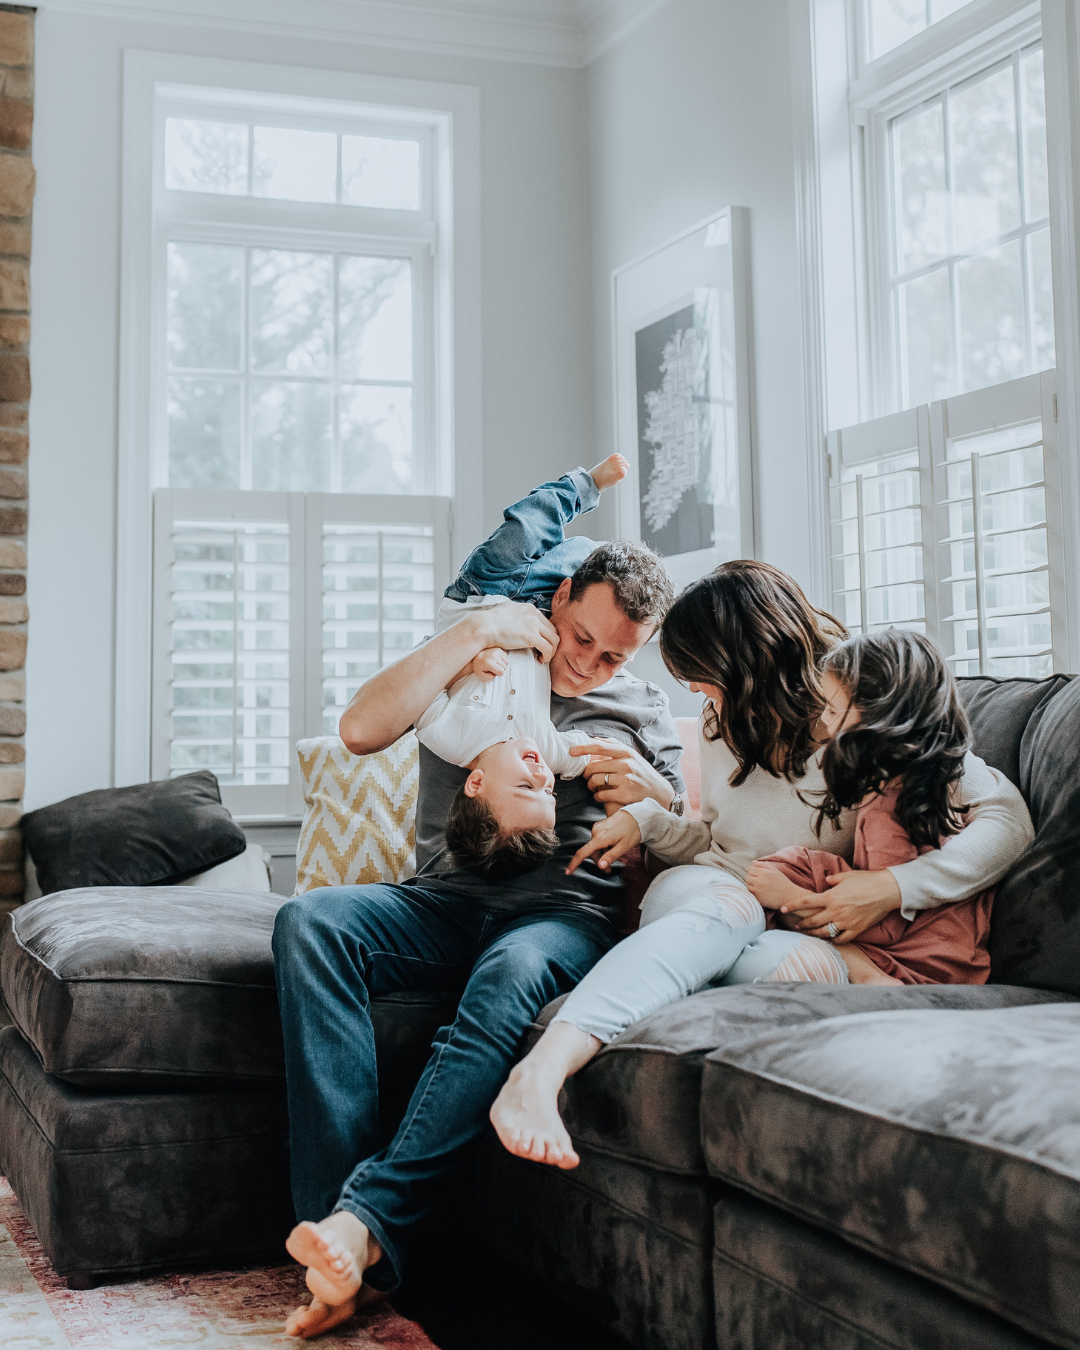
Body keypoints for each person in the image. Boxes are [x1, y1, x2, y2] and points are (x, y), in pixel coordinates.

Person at [272, 474, 685, 1338]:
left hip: (561, 917)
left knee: (510, 972)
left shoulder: (643, 709)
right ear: (560, 599)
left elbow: (691, 842)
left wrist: (655, 798)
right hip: (443, 900)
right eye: (583, 639)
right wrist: (474, 630)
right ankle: (337, 1237)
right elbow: (359, 730)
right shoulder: (484, 652)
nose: (590, 665)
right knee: (310, 923)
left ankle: (360, 1227)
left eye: (615, 657)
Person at [489, 560, 1035, 1170]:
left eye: (703, 678)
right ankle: (542, 1070)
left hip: (789, 923)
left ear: (744, 664)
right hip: (712, 889)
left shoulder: (859, 708)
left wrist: (891, 887)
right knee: (729, 912)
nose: (700, 695)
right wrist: (650, 821)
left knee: (774, 965)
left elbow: (1008, 822)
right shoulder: (718, 723)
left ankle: (648, 1026)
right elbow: (715, 842)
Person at [745, 628, 994, 987]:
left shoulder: (886, 809)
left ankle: (870, 979)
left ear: (879, 718)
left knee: (788, 873)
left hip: (925, 961)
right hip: (953, 951)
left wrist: (790, 897)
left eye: (833, 709)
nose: (824, 721)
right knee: (801, 866)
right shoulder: (929, 782)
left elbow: (886, 926)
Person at [416, 456, 629, 875]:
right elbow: (595, 756)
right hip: (540, 608)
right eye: (548, 792)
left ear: (476, 784)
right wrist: (632, 802)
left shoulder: (449, 737)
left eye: (525, 786)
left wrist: (468, 665)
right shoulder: (547, 749)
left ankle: (586, 484)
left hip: (484, 590)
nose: (543, 776)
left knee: (529, 525)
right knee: (591, 558)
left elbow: (423, 682)